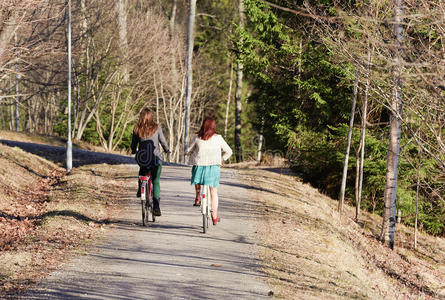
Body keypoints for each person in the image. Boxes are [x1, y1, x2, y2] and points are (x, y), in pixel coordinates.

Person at [187, 117, 232, 225]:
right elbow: (229, 151)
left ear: (203, 126)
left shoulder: (197, 137)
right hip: (213, 168)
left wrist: (190, 153)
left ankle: (198, 195)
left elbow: (188, 150)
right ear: (213, 127)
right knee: (213, 192)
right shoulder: (218, 138)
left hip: (199, 167)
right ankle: (215, 216)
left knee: (196, 177)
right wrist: (221, 159)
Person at [131, 108, 170, 216]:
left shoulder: (137, 128)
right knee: (156, 181)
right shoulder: (156, 128)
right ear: (151, 117)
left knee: (142, 171)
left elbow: (133, 144)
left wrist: (134, 150)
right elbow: (163, 141)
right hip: (155, 159)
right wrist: (167, 150)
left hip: (142, 159)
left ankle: (140, 188)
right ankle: (156, 207)